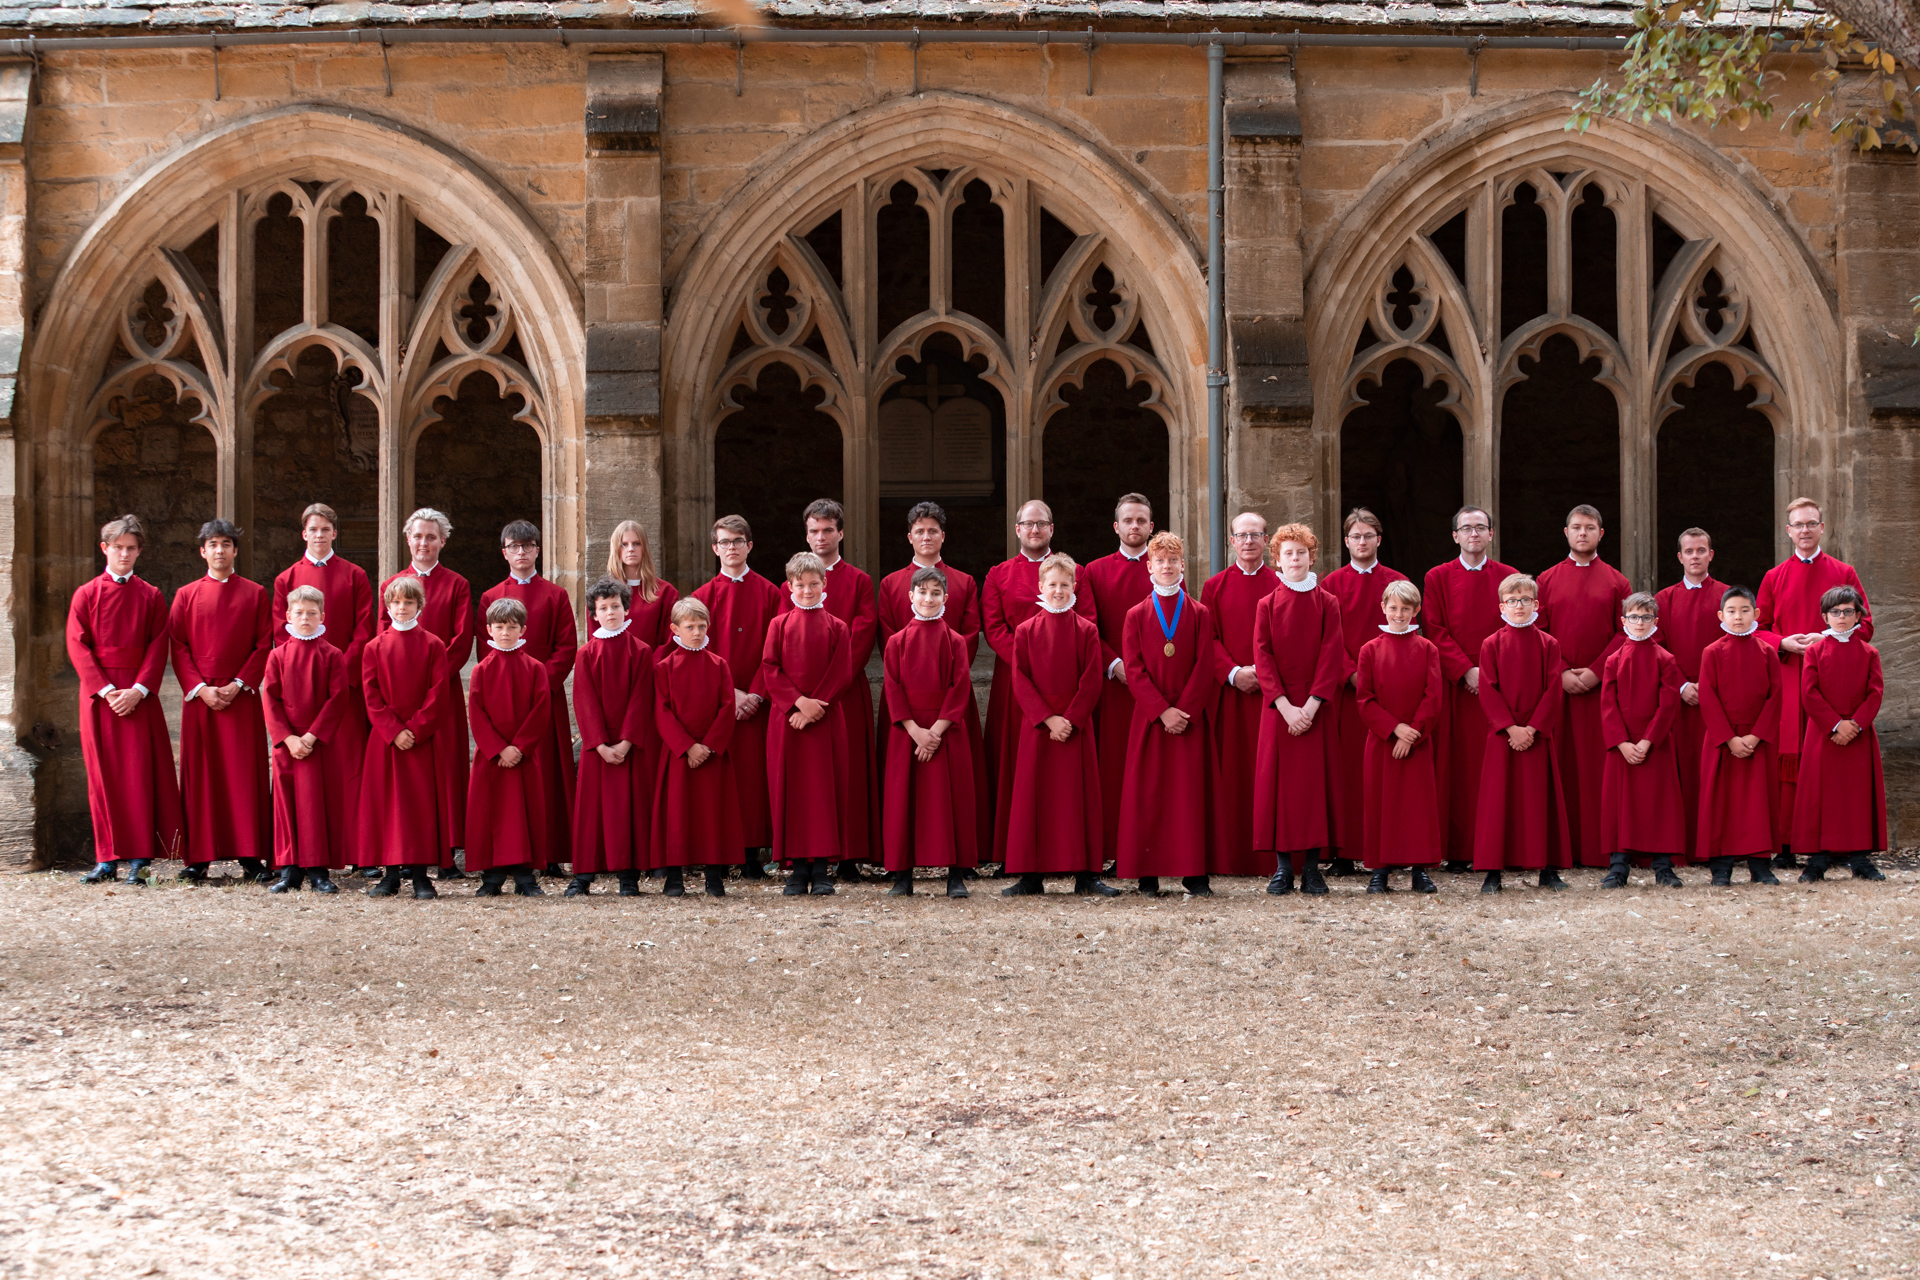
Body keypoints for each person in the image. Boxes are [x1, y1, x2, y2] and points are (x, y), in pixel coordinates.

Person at [1757, 497, 1873, 867]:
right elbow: (1758, 629)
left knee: (1834, 759)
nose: (1804, 530)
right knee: (1791, 762)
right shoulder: (1774, 577)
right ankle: (1789, 844)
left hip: (1838, 682)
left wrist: (1827, 637)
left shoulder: (1844, 571)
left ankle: (1838, 843)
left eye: (1811, 523)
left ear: (1822, 528)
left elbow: (1866, 626)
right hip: (1792, 675)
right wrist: (1784, 642)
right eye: (1798, 525)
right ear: (1788, 531)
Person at [71, 515, 184, 885]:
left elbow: (158, 645)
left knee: (138, 776)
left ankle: (139, 858)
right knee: (103, 777)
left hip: (139, 696)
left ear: (139, 551)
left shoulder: (150, 595)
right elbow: (77, 644)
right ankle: (107, 859)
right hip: (100, 698)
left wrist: (138, 690)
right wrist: (105, 690)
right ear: (105, 549)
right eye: (118, 547)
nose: (124, 554)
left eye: (131, 548)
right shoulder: (86, 594)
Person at [998, 553, 1117, 897]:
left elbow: (1092, 678)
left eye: (1065, 585)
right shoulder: (1025, 631)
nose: (1059, 591)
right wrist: (1048, 719)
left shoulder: (1087, 630)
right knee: (1033, 799)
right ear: (1041, 587)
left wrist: (1072, 719)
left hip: (1076, 729)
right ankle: (1030, 876)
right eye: (1052, 585)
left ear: (1074, 587)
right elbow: (1020, 679)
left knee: (1079, 800)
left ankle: (1087, 875)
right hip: (1038, 728)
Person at [875, 501, 988, 863]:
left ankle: (959, 859)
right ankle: (900, 860)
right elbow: (889, 638)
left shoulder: (964, 582)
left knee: (952, 786)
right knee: (903, 786)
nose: (926, 537)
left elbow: (969, 636)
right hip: (905, 704)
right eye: (919, 531)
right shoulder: (891, 583)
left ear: (943, 536)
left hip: (949, 699)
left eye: (933, 530)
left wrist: (942, 700)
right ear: (910, 537)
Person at [780, 499, 879, 882]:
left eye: (827, 530)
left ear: (841, 533)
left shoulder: (858, 580)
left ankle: (850, 856)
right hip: (800, 697)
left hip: (844, 693)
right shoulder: (791, 583)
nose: (820, 538)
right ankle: (802, 856)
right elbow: (780, 646)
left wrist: (823, 697)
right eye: (813, 531)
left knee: (847, 770)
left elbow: (859, 639)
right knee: (808, 777)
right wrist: (799, 701)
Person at [169, 518, 272, 882]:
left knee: (243, 775)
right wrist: (201, 688)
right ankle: (199, 857)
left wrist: (240, 682)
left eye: (226, 544)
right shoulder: (185, 595)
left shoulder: (255, 593)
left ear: (235, 551)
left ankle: (250, 855)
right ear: (203, 551)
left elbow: (263, 643)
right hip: (201, 698)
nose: (219, 550)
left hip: (240, 696)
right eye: (212, 544)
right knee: (203, 776)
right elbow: (178, 646)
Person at [981, 501, 1094, 832]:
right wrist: (1025, 663)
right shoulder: (998, 574)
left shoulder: (1075, 573)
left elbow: (1086, 620)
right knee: (1018, 761)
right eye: (1028, 524)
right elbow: (994, 627)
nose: (1034, 529)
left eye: (1041, 524)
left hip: (1067, 681)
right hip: (1017, 679)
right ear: (1017, 530)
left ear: (1051, 529)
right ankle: (1013, 841)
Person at [1114, 532, 1216, 896]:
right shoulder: (1136, 615)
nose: (1167, 566)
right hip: (1151, 718)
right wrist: (1161, 711)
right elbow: (1134, 667)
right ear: (1150, 567)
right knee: (1150, 794)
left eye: (1174, 560)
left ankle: (1195, 874)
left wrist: (1183, 711)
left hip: (1189, 717)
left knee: (1189, 796)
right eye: (1160, 560)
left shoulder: (1200, 613)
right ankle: (1148, 873)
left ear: (1183, 566)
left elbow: (1206, 665)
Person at [270, 502, 372, 860]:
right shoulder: (286, 579)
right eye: (312, 529)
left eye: (325, 529)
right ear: (304, 533)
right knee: (302, 778)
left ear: (334, 533)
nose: (318, 535)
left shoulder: (355, 575)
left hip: (341, 688)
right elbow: (282, 636)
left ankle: (355, 852)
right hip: (299, 695)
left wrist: (338, 672)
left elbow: (363, 629)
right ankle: (299, 855)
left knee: (348, 771)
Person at [1251, 524, 1345, 896]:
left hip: (1314, 710)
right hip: (1279, 710)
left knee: (1313, 789)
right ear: (1277, 559)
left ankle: (1311, 868)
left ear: (1312, 557)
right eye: (1288, 553)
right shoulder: (1267, 604)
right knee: (1279, 788)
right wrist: (1285, 706)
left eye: (1301, 553)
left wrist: (1312, 704)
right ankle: (1283, 867)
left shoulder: (1328, 602)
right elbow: (1263, 656)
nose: (1295, 559)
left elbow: (1331, 653)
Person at [1423, 507, 1518, 870]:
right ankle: (1460, 850)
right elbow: (1434, 628)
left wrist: (1489, 674)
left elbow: (1515, 627)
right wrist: (1466, 670)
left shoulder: (1509, 577)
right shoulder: (1438, 577)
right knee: (1458, 768)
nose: (1474, 534)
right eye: (1467, 528)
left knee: (1495, 767)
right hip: (1456, 686)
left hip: (1500, 685)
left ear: (1491, 535)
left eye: (1481, 528)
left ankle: (1499, 846)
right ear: (1455, 536)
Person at [380, 508, 473, 877]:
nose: (424, 543)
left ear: (443, 541)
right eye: (418, 536)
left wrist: (432, 683)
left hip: (440, 695)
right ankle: (405, 847)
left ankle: (447, 847)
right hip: (398, 698)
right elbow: (382, 639)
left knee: (445, 767)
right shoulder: (394, 584)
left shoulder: (457, 584)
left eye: (431, 537)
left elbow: (462, 639)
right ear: (408, 540)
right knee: (406, 775)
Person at [1536, 505, 1630, 870]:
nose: (1582, 534)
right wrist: (1558, 671)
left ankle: (1597, 849)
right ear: (1566, 532)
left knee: (1595, 771)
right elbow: (1538, 629)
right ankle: (1560, 848)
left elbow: (1626, 631)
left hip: (1599, 689)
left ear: (1601, 534)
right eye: (1576, 527)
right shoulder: (1545, 580)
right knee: (1560, 768)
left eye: (1590, 528)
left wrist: (1595, 671)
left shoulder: (1616, 581)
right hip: (1556, 688)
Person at [480, 520, 577, 870]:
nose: (521, 552)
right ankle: (511, 854)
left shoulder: (556, 595)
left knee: (545, 777)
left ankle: (548, 854)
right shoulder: (491, 597)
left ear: (538, 549)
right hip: (504, 704)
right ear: (504, 552)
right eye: (514, 547)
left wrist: (537, 687)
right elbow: (485, 651)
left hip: (543, 701)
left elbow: (566, 648)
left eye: (528, 546)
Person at [691, 514, 783, 876]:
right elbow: (697, 652)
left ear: (750, 545)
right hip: (720, 704)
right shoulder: (701, 598)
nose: (731, 548)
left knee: (754, 777)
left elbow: (776, 649)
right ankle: (721, 851)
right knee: (722, 779)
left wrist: (756, 694)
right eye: (724, 542)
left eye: (738, 541)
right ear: (715, 549)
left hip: (758, 703)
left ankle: (752, 855)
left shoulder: (772, 593)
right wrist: (731, 692)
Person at [880, 566, 978, 898]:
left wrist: (934, 732)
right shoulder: (896, 642)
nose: (928, 598)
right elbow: (892, 688)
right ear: (911, 597)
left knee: (951, 800)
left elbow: (960, 686)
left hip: (944, 731)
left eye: (936, 593)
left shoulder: (955, 642)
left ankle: (955, 875)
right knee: (904, 800)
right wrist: (914, 731)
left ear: (946, 598)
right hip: (907, 732)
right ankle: (902, 876)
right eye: (922, 592)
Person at [1472, 574, 1573, 893]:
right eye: (1513, 600)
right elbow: (1487, 689)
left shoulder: (1549, 644)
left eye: (1525, 600)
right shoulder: (1491, 644)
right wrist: (1510, 727)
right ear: (1502, 606)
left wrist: (1533, 728)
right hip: (1503, 736)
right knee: (1497, 801)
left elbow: (1554, 688)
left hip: (1537, 735)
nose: (1519, 605)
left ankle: (1547, 869)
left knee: (1540, 801)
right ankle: (1492, 872)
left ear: (1536, 605)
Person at [1322, 507, 1408, 877]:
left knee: (1387, 773)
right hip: (1347, 693)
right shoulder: (1330, 584)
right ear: (1346, 542)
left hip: (1387, 694)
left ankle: (1389, 847)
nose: (1361, 542)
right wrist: (1352, 674)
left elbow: (1407, 634)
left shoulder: (1397, 582)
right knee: (1347, 771)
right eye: (1355, 536)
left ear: (1378, 540)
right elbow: (1327, 639)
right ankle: (1343, 851)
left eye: (1368, 536)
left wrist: (1377, 678)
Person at [357, 576, 453, 899]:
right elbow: (371, 696)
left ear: (419, 606)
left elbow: (438, 693)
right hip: (386, 741)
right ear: (387, 606)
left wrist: (415, 729)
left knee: (420, 806)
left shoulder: (434, 645)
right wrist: (394, 731)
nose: (402, 608)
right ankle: (390, 875)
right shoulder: (374, 647)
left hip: (421, 740)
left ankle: (422, 877)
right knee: (387, 807)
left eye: (409, 602)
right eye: (396, 602)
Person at [763, 551, 852, 896]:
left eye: (814, 584)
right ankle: (797, 869)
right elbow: (770, 668)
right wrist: (797, 704)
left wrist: (814, 707)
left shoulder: (838, 627)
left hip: (825, 721)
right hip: (787, 723)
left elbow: (842, 671)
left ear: (824, 584)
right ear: (790, 586)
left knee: (824, 793)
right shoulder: (778, 625)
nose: (808, 590)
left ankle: (822, 868)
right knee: (792, 791)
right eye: (801, 585)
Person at [569, 579, 659, 897]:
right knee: (591, 813)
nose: (610, 613)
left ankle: (628, 876)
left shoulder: (641, 651)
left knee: (628, 812)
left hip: (627, 746)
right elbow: (584, 700)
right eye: (603, 608)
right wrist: (600, 744)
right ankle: (583, 876)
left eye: (615, 606)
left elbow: (641, 699)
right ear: (594, 614)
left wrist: (625, 742)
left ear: (625, 608)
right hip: (599, 748)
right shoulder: (586, 654)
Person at [1353, 579, 1444, 893]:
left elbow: (1433, 696)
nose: (1399, 614)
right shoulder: (1369, 650)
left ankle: (1420, 869)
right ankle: (1380, 870)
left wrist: (1411, 735)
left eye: (1406, 609)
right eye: (1393, 608)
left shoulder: (1427, 649)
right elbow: (1364, 699)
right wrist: (1394, 729)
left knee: (1417, 806)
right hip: (1382, 743)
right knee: (1379, 804)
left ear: (1416, 610)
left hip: (1417, 742)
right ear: (1383, 608)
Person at [1201, 511, 1279, 877]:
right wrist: (1233, 673)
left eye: (1256, 535)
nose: (1249, 541)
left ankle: (1272, 856)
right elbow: (1208, 640)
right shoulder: (1213, 587)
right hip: (1231, 693)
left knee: (1268, 773)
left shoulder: (1281, 584)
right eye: (1241, 535)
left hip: (1272, 695)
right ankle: (1231, 855)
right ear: (1231, 541)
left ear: (1267, 541)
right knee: (1232, 774)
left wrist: (1264, 675)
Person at [1792, 585, 1887, 882]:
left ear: (1858, 615)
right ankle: (1817, 860)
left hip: (1858, 735)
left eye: (1848, 611)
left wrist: (1854, 724)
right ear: (1825, 616)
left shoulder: (1869, 653)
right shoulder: (1816, 652)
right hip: (1824, 735)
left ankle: (1860, 858)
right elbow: (1809, 693)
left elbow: (1875, 693)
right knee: (1820, 796)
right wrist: (1835, 724)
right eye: (1835, 612)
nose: (1842, 617)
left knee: (1857, 796)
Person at [1082, 493, 1157, 863]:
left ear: (1151, 527)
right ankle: (1112, 851)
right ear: (1116, 526)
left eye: (1141, 521)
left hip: (1156, 687)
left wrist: (1148, 674)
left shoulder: (1163, 568)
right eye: (1128, 520)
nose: (1134, 527)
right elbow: (1089, 628)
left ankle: (1150, 848)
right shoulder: (1093, 571)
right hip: (1113, 683)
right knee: (1113, 768)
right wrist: (1116, 666)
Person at [260, 585, 349, 893]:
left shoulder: (333, 655)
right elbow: (270, 699)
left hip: (318, 743)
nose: (305, 618)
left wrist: (311, 736)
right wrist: (288, 738)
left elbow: (338, 698)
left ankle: (318, 870)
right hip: (288, 746)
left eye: (312, 613)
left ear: (322, 616)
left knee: (317, 804)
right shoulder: (277, 656)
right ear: (288, 616)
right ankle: (289, 869)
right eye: (299, 613)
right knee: (287, 805)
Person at [1696, 586, 1785, 886]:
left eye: (1745, 610)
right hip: (1723, 740)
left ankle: (1760, 864)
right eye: (1732, 611)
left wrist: (1756, 736)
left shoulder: (1768, 652)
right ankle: (1721, 867)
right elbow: (1707, 696)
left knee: (1759, 803)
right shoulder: (1712, 652)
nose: (1738, 617)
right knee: (1721, 802)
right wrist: (1729, 738)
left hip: (1757, 740)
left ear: (1756, 614)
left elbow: (1775, 696)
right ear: (1721, 615)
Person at [653, 597, 746, 884]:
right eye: (689, 626)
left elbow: (727, 706)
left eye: (701, 626)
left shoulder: (719, 665)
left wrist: (708, 746)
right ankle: (674, 878)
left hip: (711, 753)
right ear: (675, 629)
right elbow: (662, 710)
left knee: (712, 814)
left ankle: (714, 877)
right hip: (679, 753)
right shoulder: (664, 667)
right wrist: (687, 746)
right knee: (678, 815)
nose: (696, 632)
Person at [1598, 593, 1687, 889]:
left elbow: (1668, 704)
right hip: (1622, 744)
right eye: (1634, 617)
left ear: (1655, 622)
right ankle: (1618, 865)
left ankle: (1663, 866)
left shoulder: (1666, 658)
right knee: (1620, 804)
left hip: (1655, 743)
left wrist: (1648, 741)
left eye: (1646, 617)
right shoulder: (1613, 660)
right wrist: (1622, 743)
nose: (1640, 623)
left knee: (1660, 803)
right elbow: (1608, 705)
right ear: (1624, 621)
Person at [466, 596, 554, 897]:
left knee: (525, 813)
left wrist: (519, 747)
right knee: (490, 813)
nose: (506, 632)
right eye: (500, 626)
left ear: (523, 629)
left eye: (512, 627)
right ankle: (491, 876)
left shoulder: (535, 668)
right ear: (489, 630)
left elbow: (541, 709)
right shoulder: (481, 671)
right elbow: (476, 713)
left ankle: (525, 876)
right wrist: (498, 748)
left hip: (524, 757)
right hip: (492, 759)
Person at [1654, 528, 1725, 861]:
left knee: (1713, 772)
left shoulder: (1727, 599)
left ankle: (1715, 844)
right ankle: (1679, 846)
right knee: (1679, 772)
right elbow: (1657, 647)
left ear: (1711, 554)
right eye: (1689, 551)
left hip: (1719, 699)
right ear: (1680, 557)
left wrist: (1708, 687)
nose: (1695, 556)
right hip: (1678, 695)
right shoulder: (1664, 599)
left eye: (1701, 550)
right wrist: (1682, 685)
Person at [604, 519, 680, 648]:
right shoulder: (603, 594)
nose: (631, 549)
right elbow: (596, 642)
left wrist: (649, 666)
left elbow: (670, 640)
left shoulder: (667, 592)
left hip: (653, 666)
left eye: (637, 543)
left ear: (644, 547)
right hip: (614, 666)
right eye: (624, 544)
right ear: (616, 548)